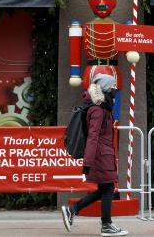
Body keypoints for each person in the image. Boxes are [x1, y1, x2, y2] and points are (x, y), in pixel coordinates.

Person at [62, 74, 128, 236]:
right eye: (112, 86)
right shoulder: (97, 109)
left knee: (104, 188)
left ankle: (73, 210)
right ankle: (106, 225)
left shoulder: (103, 106)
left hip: (103, 153)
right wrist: (88, 163)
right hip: (100, 155)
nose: (114, 89)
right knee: (108, 188)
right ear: (105, 88)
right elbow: (93, 137)